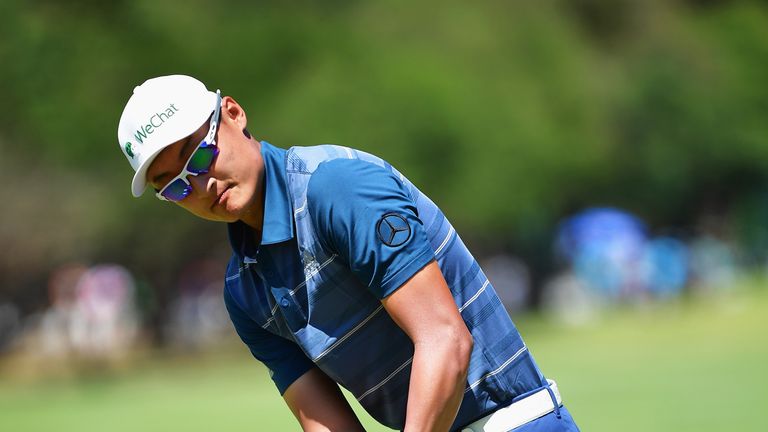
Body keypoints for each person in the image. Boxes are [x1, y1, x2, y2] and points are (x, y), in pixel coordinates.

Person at [117, 75, 580, 432]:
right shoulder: (245, 292)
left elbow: (446, 340)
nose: (201, 184)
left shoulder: (336, 189)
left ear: (234, 114)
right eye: (176, 186)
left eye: (197, 155)